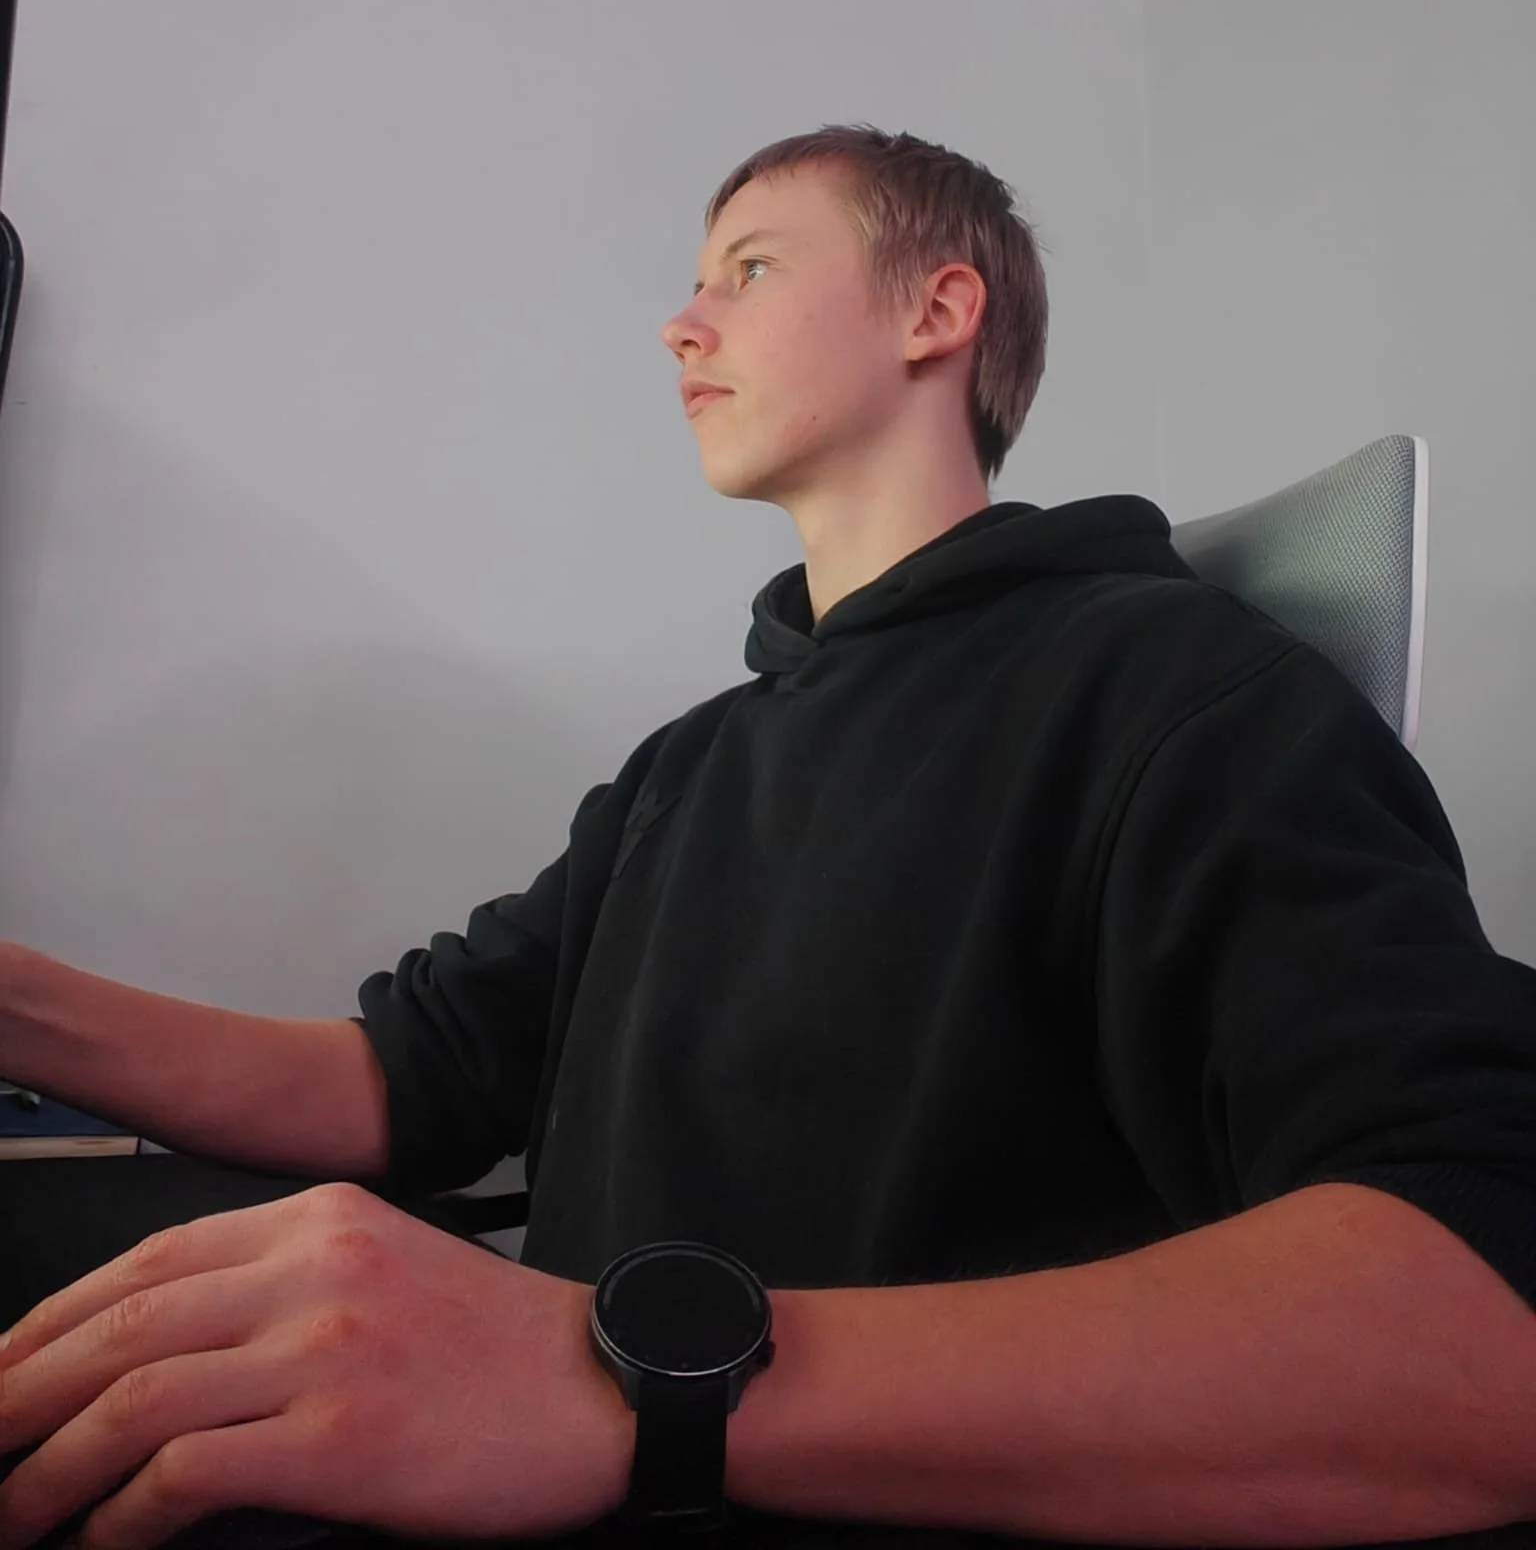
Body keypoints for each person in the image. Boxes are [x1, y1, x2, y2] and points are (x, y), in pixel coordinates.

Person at [4, 124, 1536, 1550]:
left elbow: (1485, 1319)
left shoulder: (1173, 685)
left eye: (749, 269)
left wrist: (629, 1375)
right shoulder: (688, 765)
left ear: (938, 312)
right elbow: (399, 1080)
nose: (682, 327)